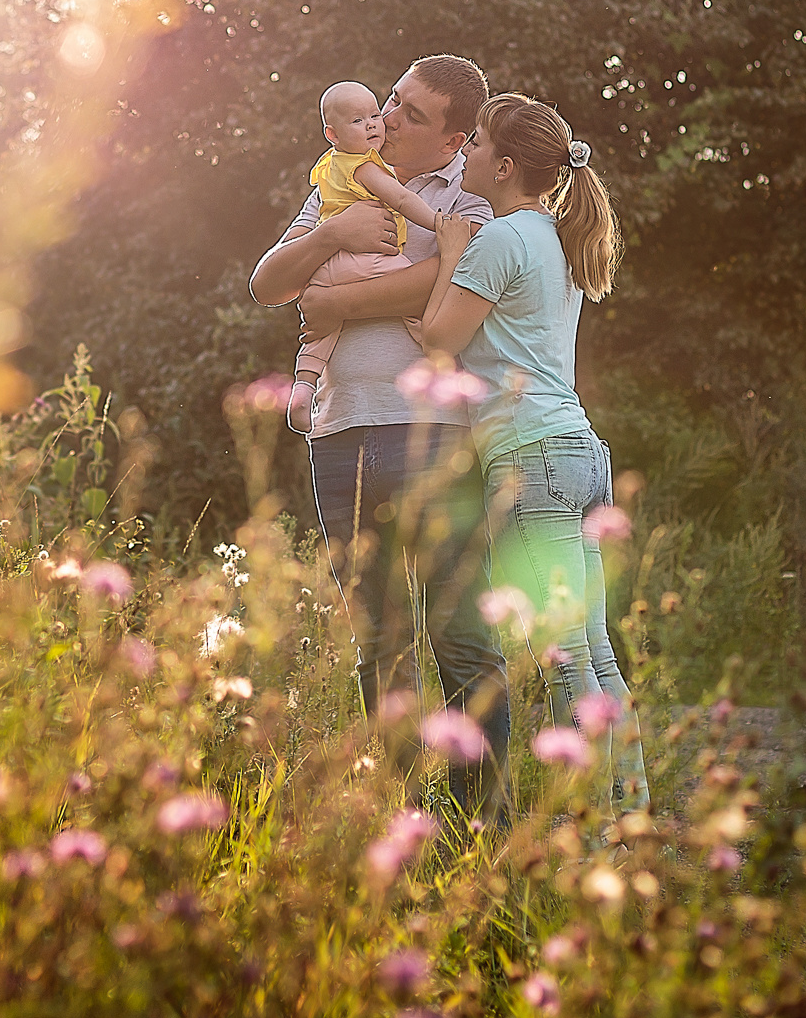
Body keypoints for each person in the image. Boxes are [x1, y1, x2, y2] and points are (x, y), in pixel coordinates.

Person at [249, 55, 510, 825]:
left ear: (455, 136)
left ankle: (480, 831)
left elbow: (440, 283)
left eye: (412, 114)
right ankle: (396, 824)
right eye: (391, 100)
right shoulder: (342, 178)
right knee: (379, 642)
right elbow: (267, 284)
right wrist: (335, 230)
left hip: (434, 434)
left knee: (461, 639)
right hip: (338, 433)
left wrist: (330, 303)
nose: (389, 118)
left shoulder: (473, 198)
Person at [411, 92, 650, 813]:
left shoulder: (500, 239)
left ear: (506, 165)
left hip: (531, 459)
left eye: (477, 143)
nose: (467, 154)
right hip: (580, 451)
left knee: (565, 654)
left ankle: (605, 831)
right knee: (595, 649)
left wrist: (452, 251)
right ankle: (631, 816)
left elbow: (439, 340)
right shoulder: (555, 235)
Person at [287, 81, 443, 432]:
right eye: (358, 121)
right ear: (333, 134)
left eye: (374, 115)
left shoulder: (330, 165)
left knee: (321, 333)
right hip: (367, 259)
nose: (374, 124)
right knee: (415, 291)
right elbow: (402, 201)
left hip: (329, 269)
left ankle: (303, 386)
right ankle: (430, 346)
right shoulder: (365, 166)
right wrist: (439, 224)